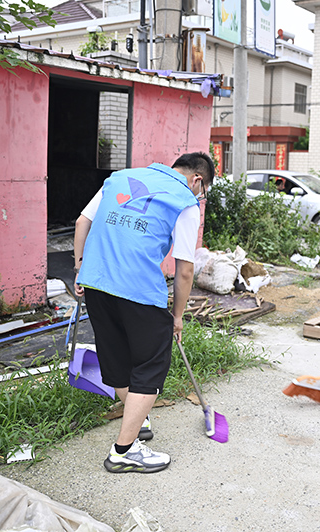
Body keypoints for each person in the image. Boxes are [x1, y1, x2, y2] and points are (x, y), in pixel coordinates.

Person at [73, 152, 214, 473]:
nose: (199, 196)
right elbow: (185, 270)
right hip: (137, 289)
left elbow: (82, 222)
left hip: (95, 282)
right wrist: (177, 317)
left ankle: (139, 419)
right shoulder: (186, 202)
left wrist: (80, 268)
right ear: (197, 180)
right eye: (201, 191)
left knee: (117, 358)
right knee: (150, 366)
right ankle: (123, 451)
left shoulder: (120, 177)